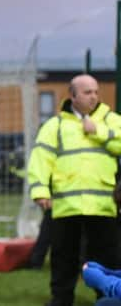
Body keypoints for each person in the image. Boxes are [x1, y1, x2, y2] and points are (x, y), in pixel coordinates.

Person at [27, 74, 121, 306]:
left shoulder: (110, 119)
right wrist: (39, 190)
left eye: (96, 92)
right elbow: (41, 158)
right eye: (87, 92)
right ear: (73, 96)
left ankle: (108, 299)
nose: (94, 97)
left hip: (103, 206)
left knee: (107, 258)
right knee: (63, 257)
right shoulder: (55, 125)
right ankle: (61, 299)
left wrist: (98, 131)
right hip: (67, 206)